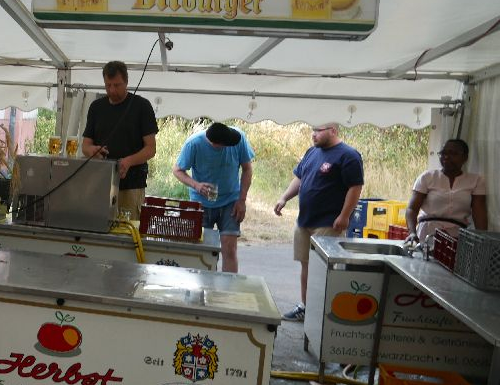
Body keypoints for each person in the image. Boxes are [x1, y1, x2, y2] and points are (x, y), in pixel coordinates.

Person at [274, 123, 364, 321]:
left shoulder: (348, 155)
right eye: (312, 130)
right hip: (305, 220)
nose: (313, 135)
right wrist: (284, 197)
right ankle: (306, 307)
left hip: (329, 223)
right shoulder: (311, 152)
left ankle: (323, 313)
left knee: (323, 269)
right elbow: (299, 177)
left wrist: (345, 215)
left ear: (333, 130)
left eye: (318, 131)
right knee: (306, 265)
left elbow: (355, 187)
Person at [173, 122, 255, 273]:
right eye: (226, 144)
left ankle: (228, 287)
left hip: (231, 201)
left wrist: (242, 200)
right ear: (215, 144)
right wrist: (196, 185)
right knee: (202, 251)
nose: (230, 146)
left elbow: (247, 169)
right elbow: (177, 170)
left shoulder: (238, 138)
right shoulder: (194, 144)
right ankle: (203, 285)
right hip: (201, 202)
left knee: (229, 249)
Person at [81, 61, 158, 219]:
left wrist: (128, 161)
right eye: (108, 85)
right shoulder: (96, 107)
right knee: (98, 226)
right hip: (100, 184)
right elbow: (85, 146)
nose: (112, 90)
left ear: (126, 82)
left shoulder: (142, 106)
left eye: (117, 85)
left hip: (131, 185)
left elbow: (151, 149)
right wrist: (92, 150)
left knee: (127, 229)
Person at [405, 138, 487, 244]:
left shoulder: (476, 181)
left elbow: (479, 214)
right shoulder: (427, 177)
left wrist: (483, 240)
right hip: (427, 234)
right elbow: (412, 209)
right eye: (443, 153)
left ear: (465, 157)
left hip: (456, 237)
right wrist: (412, 233)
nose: (446, 157)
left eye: (453, 153)